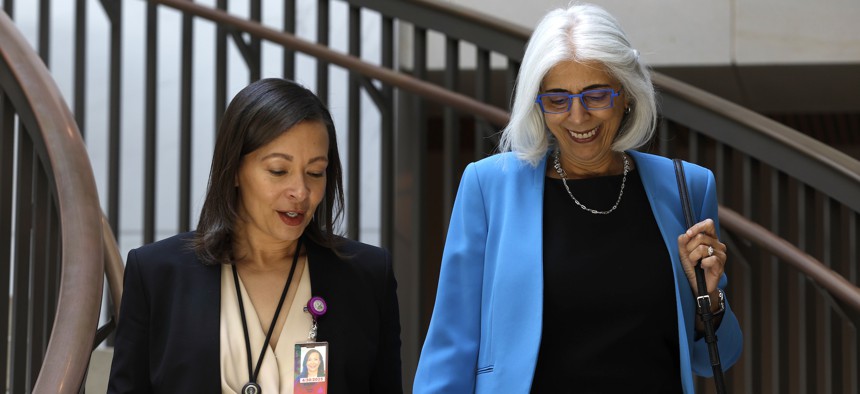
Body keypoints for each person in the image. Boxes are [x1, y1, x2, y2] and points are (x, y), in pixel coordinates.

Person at [413, 3, 742, 393]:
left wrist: (711, 300)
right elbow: (451, 343)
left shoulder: (687, 188)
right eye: (557, 99)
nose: (578, 116)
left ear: (627, 96)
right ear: (538, 105)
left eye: (596, 95)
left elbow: (713, 357)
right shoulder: (489, 186)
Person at [107, 78, 403, 393]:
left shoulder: (368, 275)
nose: (300, 192)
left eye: (315, 172)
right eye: (278, 171)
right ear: (234, 169)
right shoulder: (156, 274)